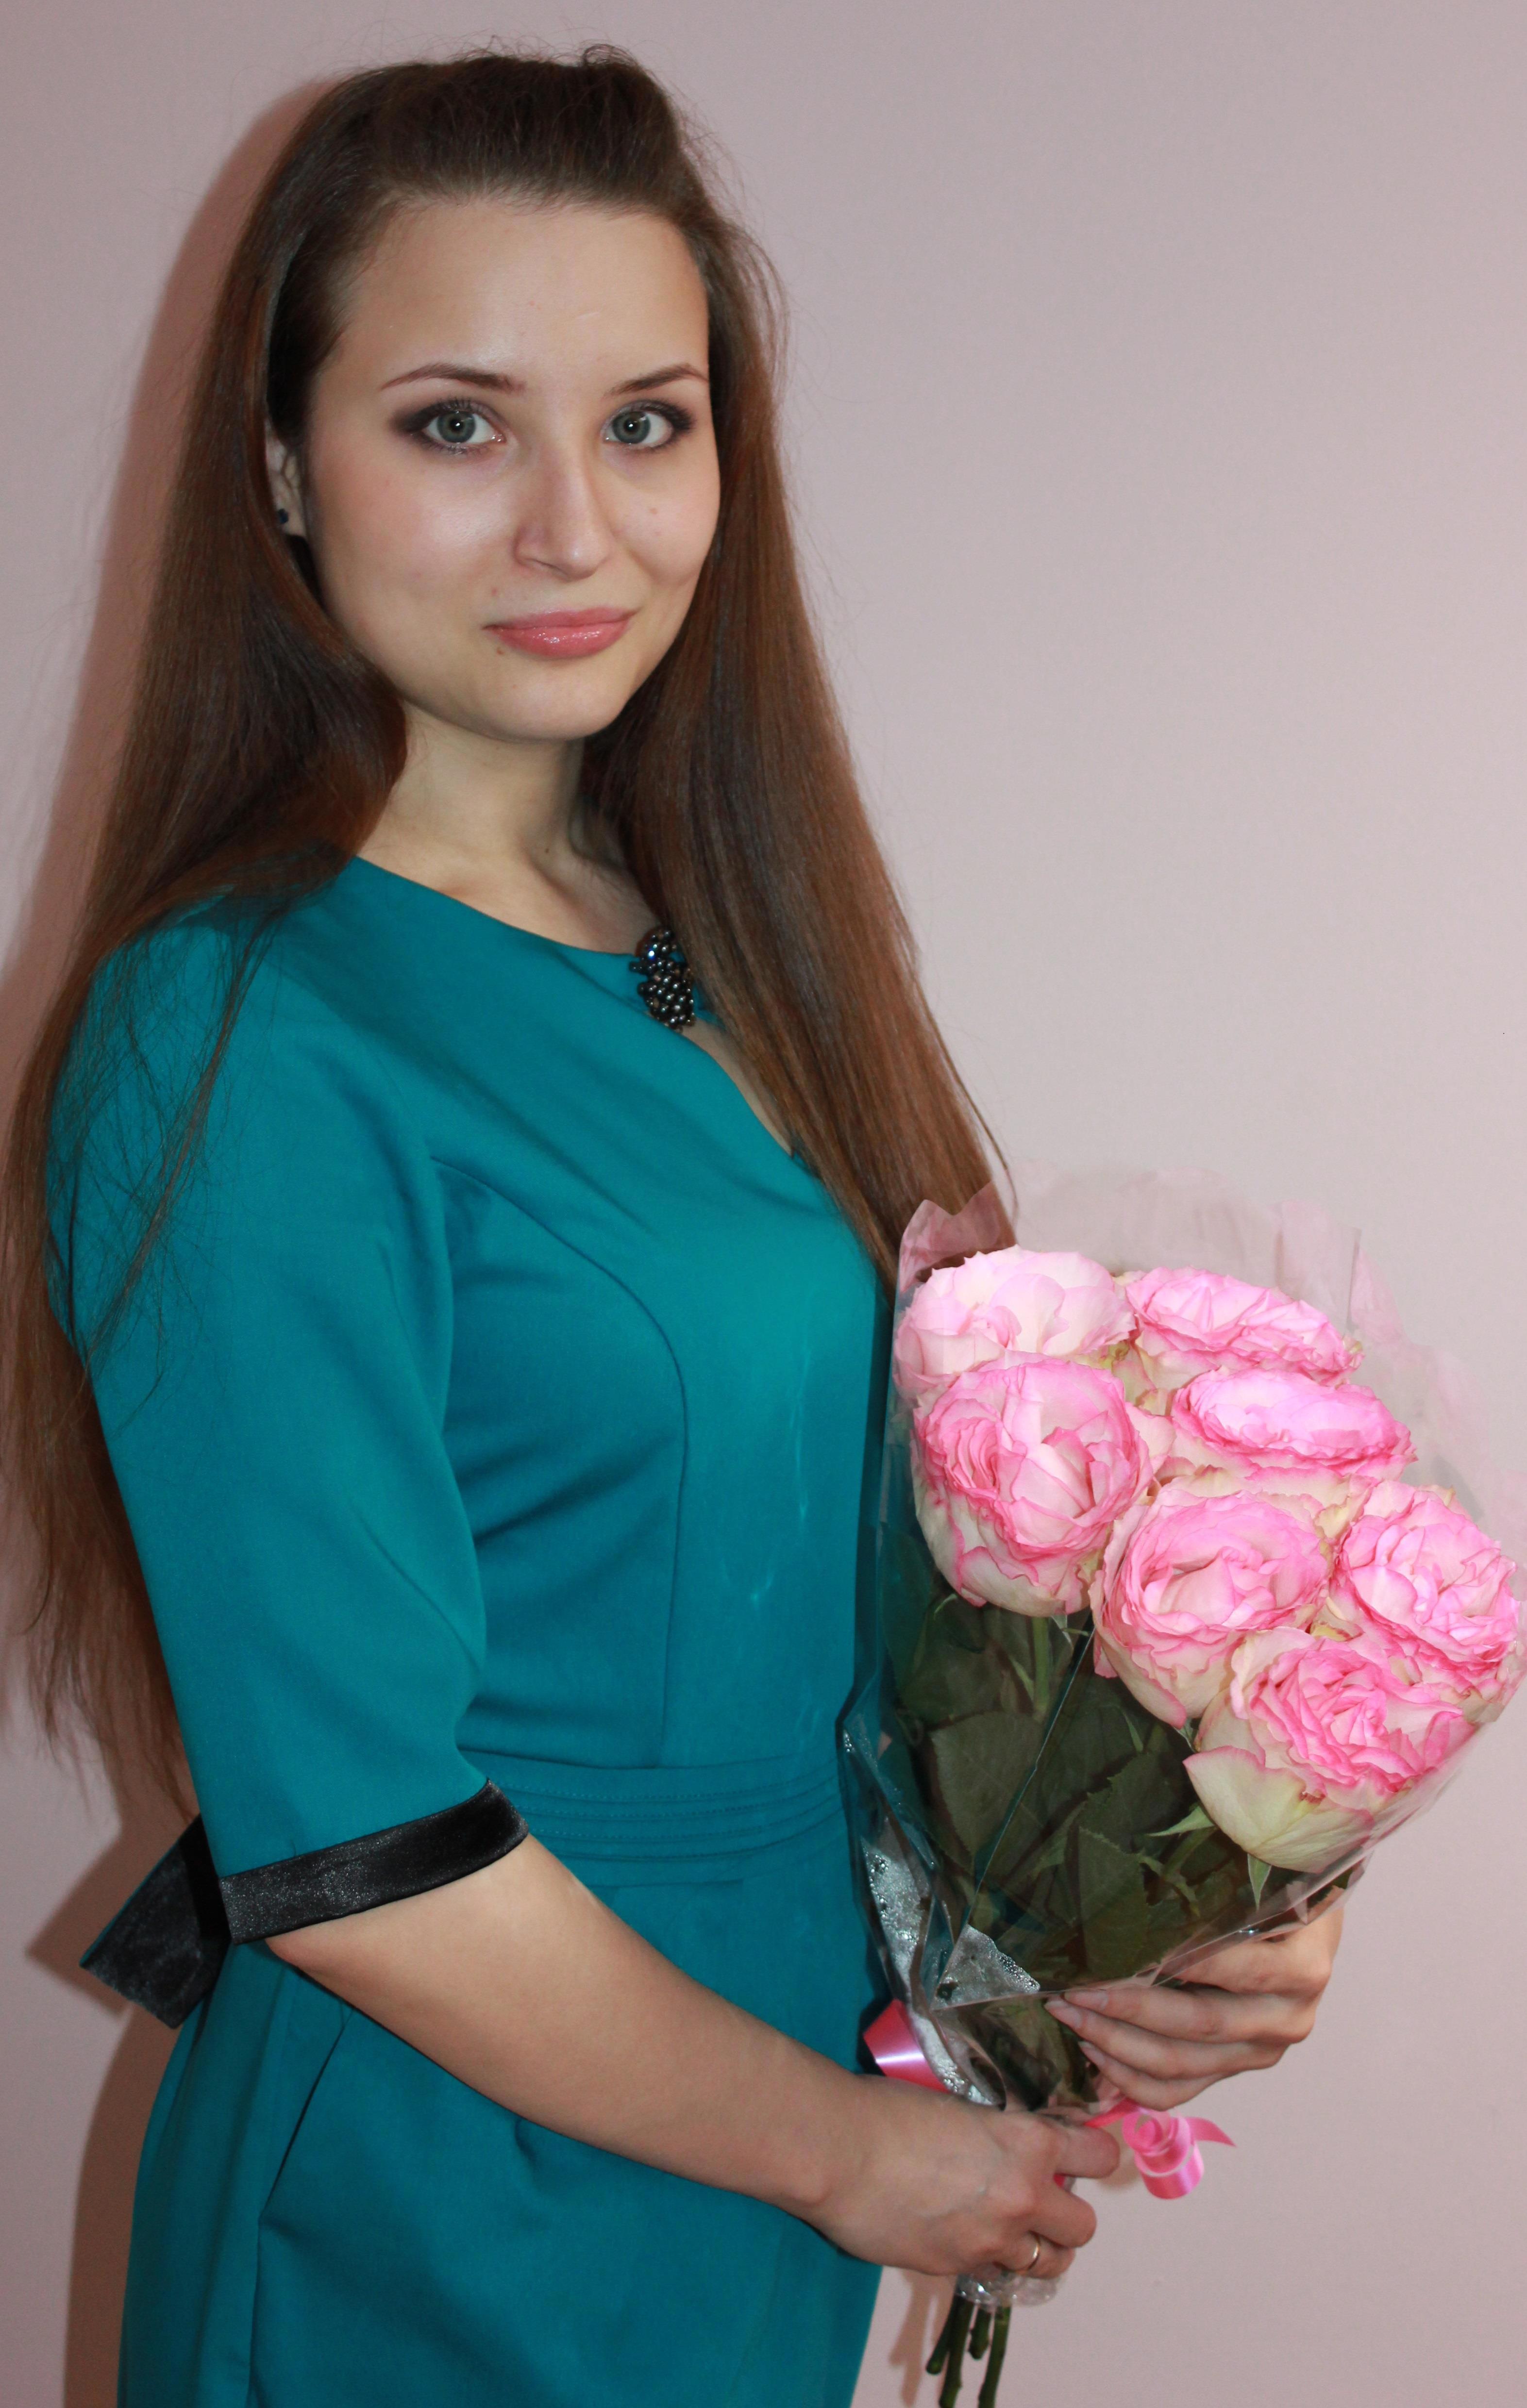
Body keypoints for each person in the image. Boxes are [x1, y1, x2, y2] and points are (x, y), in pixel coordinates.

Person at [2, 49, 1339, 2408]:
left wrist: (1180, 1891)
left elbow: (876, 1608)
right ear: (279, 466)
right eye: (454, 423)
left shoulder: (725, 949)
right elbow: (356, 1835)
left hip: (748, 2162)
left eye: (646, 422)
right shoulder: (234, 1022)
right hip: (439, 2208)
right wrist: (853, 2152)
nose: (574, 528)